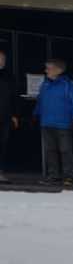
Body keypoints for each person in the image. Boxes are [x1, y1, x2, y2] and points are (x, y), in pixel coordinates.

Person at [34, 58, 73, 188]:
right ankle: (53, 176)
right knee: (50, 151)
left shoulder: (70, 85)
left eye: (49, 68)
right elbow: (40, 101)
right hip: (46, 123)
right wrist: (36, 114)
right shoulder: (45, 84)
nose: (46, 70)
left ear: (59, 70)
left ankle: (69, 177)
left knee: (65, 150)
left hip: (63, 124)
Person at [0, 49, 16, 183]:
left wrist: (14, 114)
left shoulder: (9, 76)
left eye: (3, 59)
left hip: (5, 116)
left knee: (2, 144)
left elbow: (14, 96)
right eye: (0, 58)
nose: (2, 61)